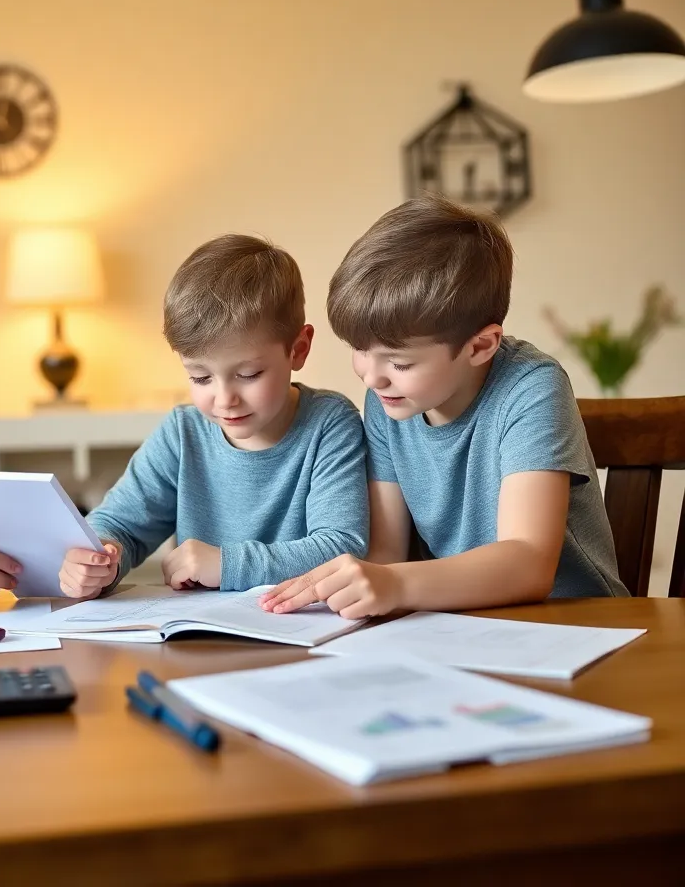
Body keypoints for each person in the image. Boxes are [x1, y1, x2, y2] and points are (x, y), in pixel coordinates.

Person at [261, 194, 627, 620]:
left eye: (400, 362)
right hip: (462, 626)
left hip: (577, 622)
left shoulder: (531, 387)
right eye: (361, 349)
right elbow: (386, 554)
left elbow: (528, 562)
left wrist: (395, 582)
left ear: (480, 346)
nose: (372, 375)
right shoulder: (388, 400)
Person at [57, 232, 369, 600]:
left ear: (298, 350)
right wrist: (97, 560)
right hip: (198, 638)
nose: (225, 400)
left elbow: (342, 546)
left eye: (249, 374)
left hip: (300, 634)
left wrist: (227, 563)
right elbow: (118, 525)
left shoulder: (330, 424)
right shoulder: (182, 432)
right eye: (200, 377)